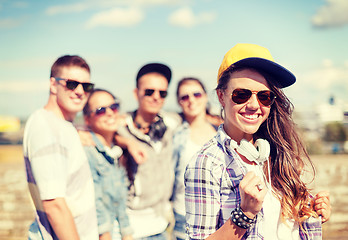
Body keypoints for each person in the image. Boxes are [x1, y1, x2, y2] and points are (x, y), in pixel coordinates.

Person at [184, 43, 331, 240]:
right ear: (221, 96)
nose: (254, 105)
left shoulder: (275, 153)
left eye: (264, 96)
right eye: (241, 95)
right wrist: (245, 214)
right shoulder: (206, 163)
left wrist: (312, 212)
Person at [23, 55, 98, 239]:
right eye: (72, 84)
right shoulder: (47, 128)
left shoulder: (61, 126)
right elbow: (54, 205)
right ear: (52, 84)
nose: (80, 91)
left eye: (86, 86)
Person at [115, 63, 181, 239]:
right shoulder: (120, 126)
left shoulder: (171, 124)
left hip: (161, 226)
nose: (156, 97)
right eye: (149, 92)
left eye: (162, 93)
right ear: (136, 93)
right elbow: (88, 133)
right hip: (131, 229)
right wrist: (126, 141)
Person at [83, 89, 133, 240]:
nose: (110, 113)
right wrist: (105, 234)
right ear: (87, 119)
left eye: (114, 107)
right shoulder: (88, 152)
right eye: (100, 110)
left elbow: (120, 201)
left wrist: (127, 233)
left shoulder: (116, 151)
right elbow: (94, 199)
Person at [171, 77, 218, 240]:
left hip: (219, 216)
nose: (191, 100)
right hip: (185, 217)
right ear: (179, 102)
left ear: (205, 96)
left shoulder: (222, 132)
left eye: (196, 94)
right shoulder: (175, 134)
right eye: (185, 97)